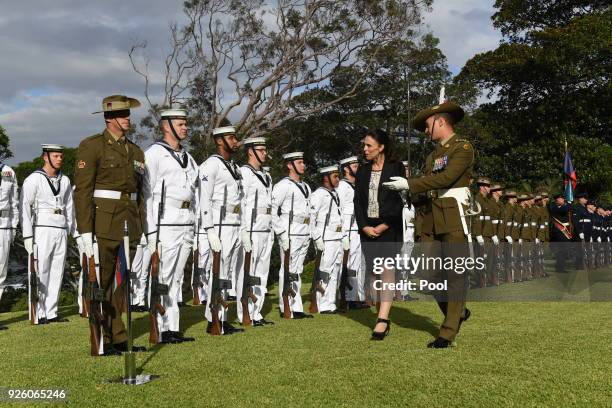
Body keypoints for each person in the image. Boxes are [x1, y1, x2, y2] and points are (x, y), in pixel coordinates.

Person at [383, 101, 474, 348]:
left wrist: (410, 184)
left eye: (427, 125)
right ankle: (457, 312)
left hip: (453, 215)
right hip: (431, 218)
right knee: (426, 275)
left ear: (441, 121)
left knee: (455, 274)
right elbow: (429, 185)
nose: (426, 131)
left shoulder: (462, 148)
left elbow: (446, 178)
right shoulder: (432, 155)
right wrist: (409, 193)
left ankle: (447, 332)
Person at [74, 94, 147, 355]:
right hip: (103, 223)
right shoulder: (92, 146)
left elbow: (140, 194)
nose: (128, 118)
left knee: (121, 283)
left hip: (129, 223)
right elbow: (82, 191)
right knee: (102, 283)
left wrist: (144, 228)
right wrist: (84, 231)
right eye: (122, 114)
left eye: (128, 114)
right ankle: (102, 337)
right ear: (109, 118)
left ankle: (118, 336)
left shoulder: (136, 151)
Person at [143, 109, 198, 343]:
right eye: (181, 123)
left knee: (177, 278)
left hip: (185, 221)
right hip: (165, 222)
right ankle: (160, 325)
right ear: (167, 126)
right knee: (163, 276)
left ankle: (172, 327)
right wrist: (152, 231)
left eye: (186, 123)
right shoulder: (153, 154)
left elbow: (196, 194)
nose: (185, 128)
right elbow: (146, 194)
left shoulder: (189, 157)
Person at [353, 129, 404, 340]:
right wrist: (364, 226)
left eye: (369, 146)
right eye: (364, 145)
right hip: (368, 229)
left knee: (387, 268)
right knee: (375, 271)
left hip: (389, 228)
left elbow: (398, 200)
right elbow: (358, 201)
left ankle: (383, 319)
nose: (365, 149)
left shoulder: (396, 167)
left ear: (381, 147)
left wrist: (384, 225)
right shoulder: (363, 171)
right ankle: (378, 308)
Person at [21, 144, 75, 324]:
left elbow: (69, 207)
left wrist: (72, 230)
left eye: (61, 156)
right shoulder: (34, 179)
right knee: (41, 270)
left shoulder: (65, 180)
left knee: (57, 271)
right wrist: (28, 236)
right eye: (56, 156)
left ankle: (52, 311)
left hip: (60, 228)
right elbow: (25, 208)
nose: (60, 159)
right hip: (42, 228)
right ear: (46, 157)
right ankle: (39, 312)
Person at [199, 126, 245, 335]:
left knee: (227, 275)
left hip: (234, 224)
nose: (235, 141)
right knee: (218, 272)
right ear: (219, 141)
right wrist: (209, 229)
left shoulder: (233, 166)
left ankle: (223, 318)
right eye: (231, 138)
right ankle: (214, 318)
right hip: (220, 225)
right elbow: (204, 199)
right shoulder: (211, 165)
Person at [237, 137, 274, 326]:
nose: (264, 153)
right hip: (251, 229)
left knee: (262, 273)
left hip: (266, 229)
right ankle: (245, 311)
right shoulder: (244, 173)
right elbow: (241, 203)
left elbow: (271, 205)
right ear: (250, 151)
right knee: (248, 272)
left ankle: (256, 312)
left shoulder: (267, 176)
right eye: (261, 150)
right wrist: (243, 231)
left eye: (265, 149)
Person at [272, 152, 313, 319]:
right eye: (299, 162)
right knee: (287, 269)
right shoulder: (283, 185)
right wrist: (281, 233)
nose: (303, 165)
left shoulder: (306, 186)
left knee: (297, 271)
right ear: (290, 165)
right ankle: (285, 306)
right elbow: (272, 210)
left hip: (304, 232)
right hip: (290, 233)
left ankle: (296, 306)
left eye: (303, 162)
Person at [309, 165, 348, 314]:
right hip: (326, 239)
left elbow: (339, 217)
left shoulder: (335, 194)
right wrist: (317, 237)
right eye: (335, 177)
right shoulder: (318, 195)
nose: (338, 179)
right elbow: (311, 217)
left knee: (335, 272)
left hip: (336, 238)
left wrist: (344, 236)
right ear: (326, 178)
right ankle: (320, 303)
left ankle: (330, 303)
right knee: (325, 272)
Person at [337, 156, 367, 309]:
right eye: (355, 166)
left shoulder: (356, 185)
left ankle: (357, 296)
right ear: (346, 169)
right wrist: (342, 235)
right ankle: (348, 297)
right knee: (349, 264)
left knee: (358, 264)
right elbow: (339, 211)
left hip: (358, 229)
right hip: (348, 230)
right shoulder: (342, 186)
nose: (358, 168)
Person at [0, 159, 19, 330]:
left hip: (3, 225)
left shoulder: (9, 172)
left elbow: (14, 203)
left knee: (1, 273)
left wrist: (13, 227)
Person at [549, 193, 573, 272]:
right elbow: (564, 209)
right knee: (561, 250)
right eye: (561, 199)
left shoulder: (564, 206)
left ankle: (562, 267)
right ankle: (560, 268)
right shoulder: (553, 207)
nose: (563, 200)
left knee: (565, 250)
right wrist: (569, 203)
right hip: (559, 231)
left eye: (563, 198)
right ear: (557, 200)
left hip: (566, 230)